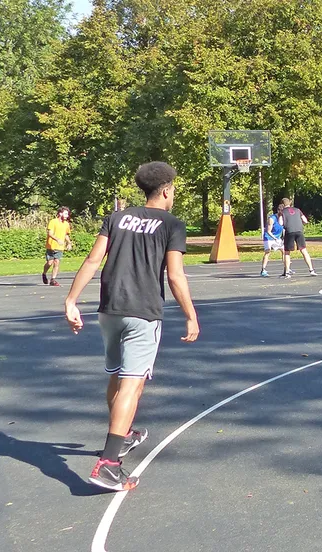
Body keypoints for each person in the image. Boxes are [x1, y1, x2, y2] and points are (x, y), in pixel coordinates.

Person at [64, 162, 199, 491]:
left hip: (109, 310)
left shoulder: (117, 217)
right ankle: (109, 465)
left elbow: (93, 260)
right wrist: (191, 315)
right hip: (143, 311)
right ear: (166, 190)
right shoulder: (172, 224)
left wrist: (71, 300)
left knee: (116, 375)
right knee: (132, 384)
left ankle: (122, 435)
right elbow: (175, 275)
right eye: (174, 189)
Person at [278, 198, 316, 278]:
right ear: (290, 203)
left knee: (287, 252)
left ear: (282, 204)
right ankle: (311, 270)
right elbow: (305, 220)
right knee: (304, 250)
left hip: (289, 231)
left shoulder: (282, 212)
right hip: (299, 231)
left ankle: (287, 272)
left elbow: (280, 223)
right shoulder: (298, 210)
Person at [42, 207, 72, 287]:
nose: (67, 215)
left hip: (60, 247)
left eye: (67, 214)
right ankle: (44, 273)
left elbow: (66, 235)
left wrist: (69, 243)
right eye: (65, 214)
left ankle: (53, 279)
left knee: (57, 262)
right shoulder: (53, 222)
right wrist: (57, 239)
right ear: (60, 213)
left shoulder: (66, 224)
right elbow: (50, 233)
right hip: (51, 246)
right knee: (50, 262)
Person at [260, 203, 284, 277]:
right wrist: (275, 238)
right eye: (281, 211)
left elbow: (283, 229)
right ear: (278, 210)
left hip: (277, 238)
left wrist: (283, 238)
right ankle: (263, 270)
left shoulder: (284, 218)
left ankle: (287, 268)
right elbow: (268, 231)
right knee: (268, 251)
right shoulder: (272, 218)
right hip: (269, 237)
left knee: (284, 251)